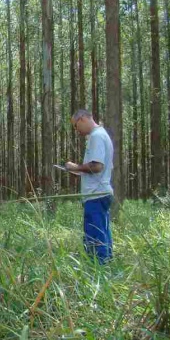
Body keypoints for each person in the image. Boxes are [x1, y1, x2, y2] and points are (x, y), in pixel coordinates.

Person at [64, 109, 114, 264]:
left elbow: (97, 166)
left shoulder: (96, 136)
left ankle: (98, 271)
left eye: (75, 125)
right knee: (102, 233)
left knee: (95, 237)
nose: (76, 130)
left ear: (83, 119)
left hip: (96, 196)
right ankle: (106, 266)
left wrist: (75, 167)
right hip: (99, 194)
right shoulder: (101, 134)